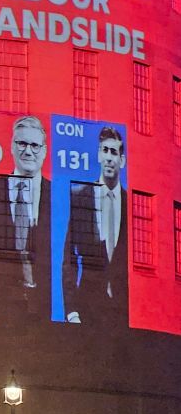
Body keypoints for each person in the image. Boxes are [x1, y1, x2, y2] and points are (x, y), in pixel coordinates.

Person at [0, 115, 51, 320]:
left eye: (34, 145)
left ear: (44, 151)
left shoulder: (57, 194)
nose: (28, 151)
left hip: (46, 312)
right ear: (12, 147)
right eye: (22, 143)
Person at [62, 126, 127, 325]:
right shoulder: (80, 196)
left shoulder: (130, 203)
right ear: (98, 155)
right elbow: (69, 258)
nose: (109, 158)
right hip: (86, 309)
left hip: (122, 313)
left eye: (114, 152)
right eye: (105, 150)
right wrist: (72, 311)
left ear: (122, 160)